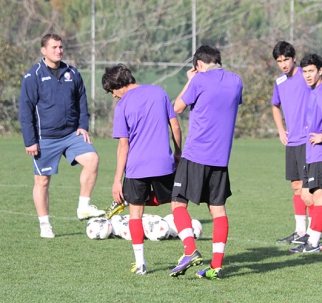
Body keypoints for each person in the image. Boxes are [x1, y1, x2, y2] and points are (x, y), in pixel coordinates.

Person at [18, 33, 104, 239]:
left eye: (61, 47)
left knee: (92, 159)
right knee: (42, 181)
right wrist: (30, 141)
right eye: (54, 47)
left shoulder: (72, 73)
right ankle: (45, 224)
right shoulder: (33, 76)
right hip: (45, 137)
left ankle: (83, 207)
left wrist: (83, 125)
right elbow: (25, 110)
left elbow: (82, 101)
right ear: (43, 51)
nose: (59, 50)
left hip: (71, 134)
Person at [168, 45, 243, 280]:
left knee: (178, 204)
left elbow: (176, 108)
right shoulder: (236, 81)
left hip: (196, 154)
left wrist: (191, 80)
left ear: (198, 64)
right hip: (221, 158)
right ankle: (216, 266)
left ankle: (190, 250)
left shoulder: (199, 81)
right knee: (218, 211)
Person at [101, 64, 182, 275]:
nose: (113, 96)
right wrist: (178, 153)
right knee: (177, 203)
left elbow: (123, 145)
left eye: (112, 91)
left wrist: (117, 180)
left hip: (136, 167)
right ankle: (189, 250)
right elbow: (175, 126)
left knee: (135, 214)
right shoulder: (159, 92)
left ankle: (141, 264)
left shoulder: (122, 106)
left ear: (118, 85)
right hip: (164, 163)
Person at [271, 41, 322, 248]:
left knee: (309, 192)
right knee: (297, 188)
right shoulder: (280, 81)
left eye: (286, 59)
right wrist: (280, 129)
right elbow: (275, 106)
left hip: (308, 141)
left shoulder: (306, 76)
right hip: (292, 140)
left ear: (294, 58)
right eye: (279, 61)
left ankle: (315, 233)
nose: (283, 64)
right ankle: (303, 231)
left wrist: (319, 125)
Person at [289, 54, 322, 253]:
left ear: (320, 71)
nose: (308, 75)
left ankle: (313, 242)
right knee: (307, 196)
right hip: (312, 154)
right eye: (305, 72)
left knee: (318, 199)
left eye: (312, 71)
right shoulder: (315, 91)